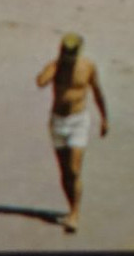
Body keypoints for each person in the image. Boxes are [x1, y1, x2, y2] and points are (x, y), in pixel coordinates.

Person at [34, 33, 108, 234]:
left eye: (70, 56)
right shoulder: (56, 66)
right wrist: (54, 68)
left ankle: (75, 213)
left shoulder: (88, 67)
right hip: (58, 122)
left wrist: (105, 119)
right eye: (64, 54)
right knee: (65, 172)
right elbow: (40, 82)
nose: (67, 58)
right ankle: (71, 208)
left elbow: (97, 92)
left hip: (78, 121)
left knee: (74, 170)